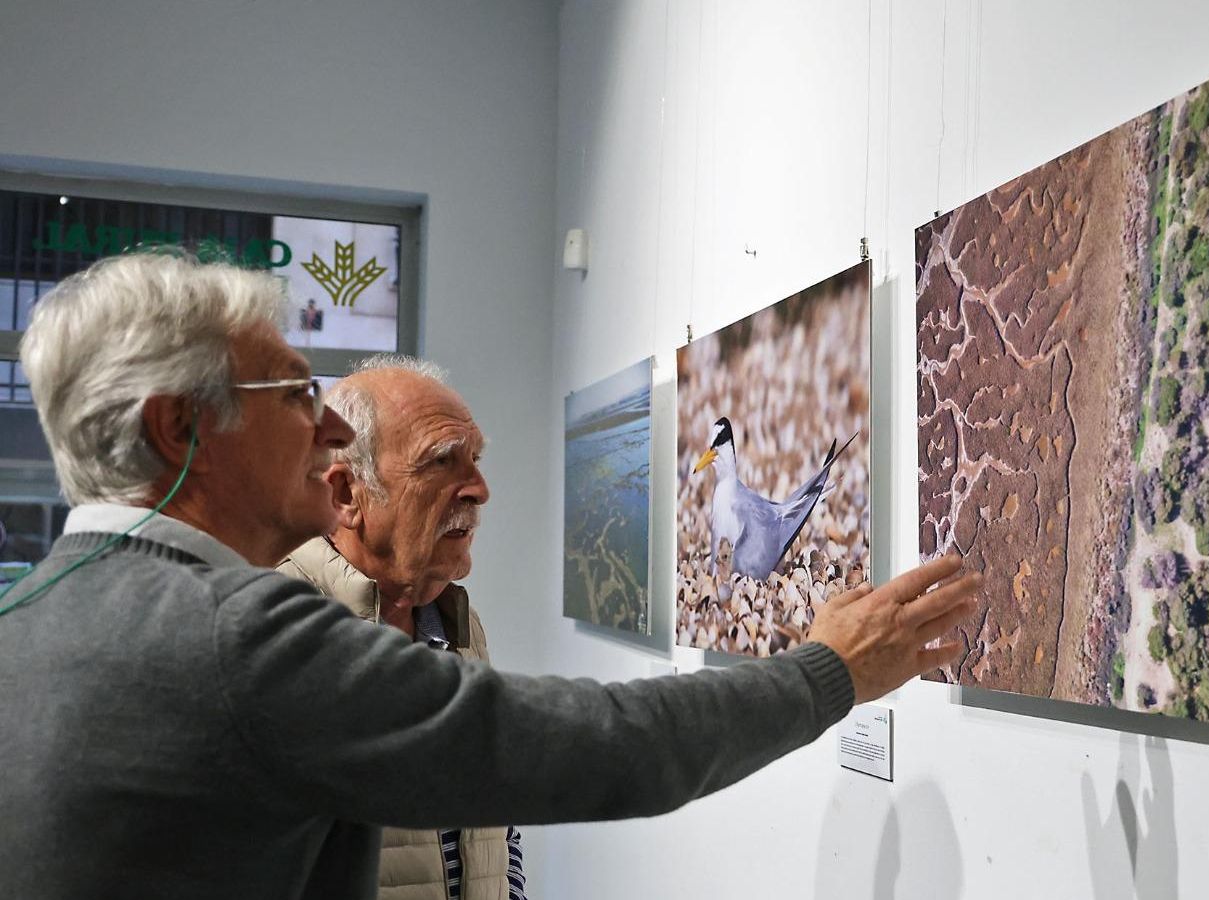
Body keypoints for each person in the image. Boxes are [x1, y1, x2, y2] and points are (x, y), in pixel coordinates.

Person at [0, 251, 978, 900]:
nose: (327, 431)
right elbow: (601, 748)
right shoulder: (240, 636)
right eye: (295, 395)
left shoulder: (29, 616)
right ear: (181, 428)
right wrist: (829, 668)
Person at [276, 355, 520, 900]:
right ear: (346, 496)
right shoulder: (277, 626)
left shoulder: (457, 620)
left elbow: (494, 820)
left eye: (475, 460)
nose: (478, 489)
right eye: (440, 462)